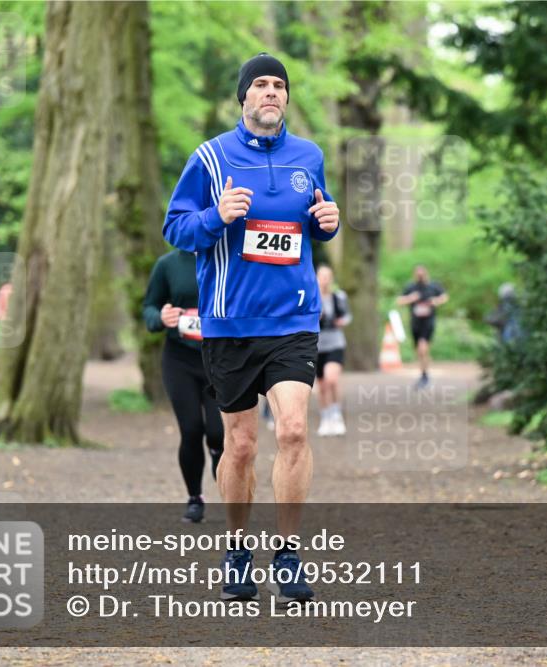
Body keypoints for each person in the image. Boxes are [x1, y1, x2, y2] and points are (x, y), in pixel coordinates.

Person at [162, 53, 340, 604]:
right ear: (243, 97)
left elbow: (318, 216)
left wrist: (327, 222)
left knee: (292, 431)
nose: (270, 92)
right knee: (239, 445)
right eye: (260, 85)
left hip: (293, 319)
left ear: (286, 98)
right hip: (230, 324)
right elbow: (176, 227)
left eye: (278, 85)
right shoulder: (210, 158)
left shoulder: (308, 156)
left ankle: (287, 554)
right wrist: (216, 215)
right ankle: (238, 548)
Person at [142, 249, 225, 524]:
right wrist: (160, 318)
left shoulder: (225, 256)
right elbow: (149, 308)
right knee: (191, 429)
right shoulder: (168, 264)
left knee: (217, 432)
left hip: (219, 360)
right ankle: (194, 499)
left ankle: (221, 464)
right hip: (180, 359)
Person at [397, 265, 448, 389]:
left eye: (422, 274)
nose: (420, 277)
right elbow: (399, 300)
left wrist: (436, 301)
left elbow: (445, 296)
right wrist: (410, 298)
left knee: (422, 348)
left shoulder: (433, 286)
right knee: (420, 352)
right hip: (415, 323)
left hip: (428, 322)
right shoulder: (411, 287)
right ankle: (424, 374)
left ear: (426, 274)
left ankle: (425, 376)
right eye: (417, 275)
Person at [315, 265, 351, 437]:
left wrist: (341, 321)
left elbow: (347, 316)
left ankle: (336, 415)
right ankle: (326, 417)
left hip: (335, 342)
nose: (325, 280)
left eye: (328, 276)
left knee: (332, 379)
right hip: (316, 345)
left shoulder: (339, 296)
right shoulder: (312, 297)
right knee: (321, 386)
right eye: (322, 276)